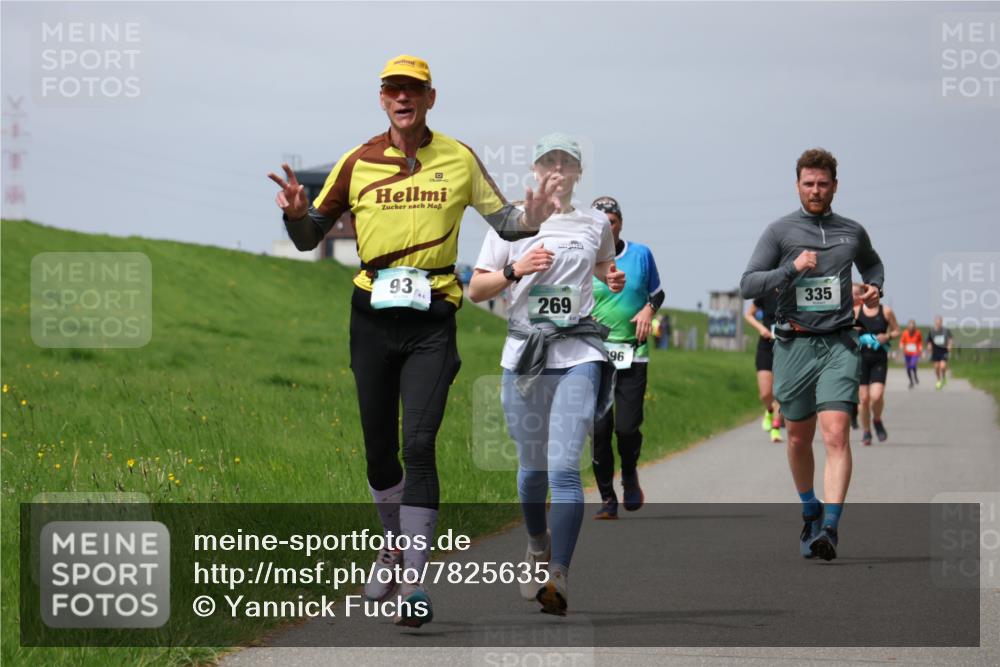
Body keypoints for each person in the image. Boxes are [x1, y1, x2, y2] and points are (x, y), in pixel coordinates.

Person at [267, 55, 558, 627]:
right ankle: (392, 543)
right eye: (393, 90)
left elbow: (506, 223)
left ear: (430, 97)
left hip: (432, 317)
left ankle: (414, 584)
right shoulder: (357, 162)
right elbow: (308, 239)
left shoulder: (458, 157)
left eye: (413, 90)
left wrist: (539, 212)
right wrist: (296, 217)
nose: (403, 98)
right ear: (382, 99)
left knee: (419, 443)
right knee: (379, 450)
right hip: (371, 317)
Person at [468, 133, 625, 615]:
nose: (557, 169)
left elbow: (600, 261)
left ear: (578, 172)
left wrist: (608, 276)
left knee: (563, 468)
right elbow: (476, 289)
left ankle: (559, 574)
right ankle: (537, 545)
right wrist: (517, 269)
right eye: (548, 162)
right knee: (532, 472)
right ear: (534, 171)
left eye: (566, 162)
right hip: (525, 357)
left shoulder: (596, 222)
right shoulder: (509, 223)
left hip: (580, 351)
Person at [741, 148, 884, 562]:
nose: (816, 191)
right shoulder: (779, 232)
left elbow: (872, 265)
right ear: (798, 185)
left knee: (836, 433)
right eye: (809, 184)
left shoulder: (852, 232)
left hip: (839, 343)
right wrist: (792, 269)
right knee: (798, 437)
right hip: (792, 345)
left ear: (835, 186)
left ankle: (831, 527)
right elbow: (749, 284)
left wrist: (875, 286)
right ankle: (810, 508)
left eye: (823, 184)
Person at [587, 196, 664, 519]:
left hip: (634, 352)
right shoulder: (582, 258)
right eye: (600, 223)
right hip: (593, 353)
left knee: (627, 428)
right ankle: (607, 498)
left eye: (612, 222)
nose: (607, 228)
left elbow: (657, 293)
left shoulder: (640, 254)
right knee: (599, 429)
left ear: (620, 224)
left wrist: (648, 309)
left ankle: (629, 473)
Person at [854, 290, 900, 445]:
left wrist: (887, 336)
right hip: (860, 359)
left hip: (879, 359)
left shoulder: (886, 311)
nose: (872, 298)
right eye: (868, 295)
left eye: (875, 295)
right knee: (864, 398)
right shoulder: (856, 311)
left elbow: (896, 330)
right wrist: (852, 331)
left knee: (876, 396)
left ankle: (877, 420)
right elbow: (843, 331)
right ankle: (866, 432)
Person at [743, 290, 784, 443]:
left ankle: (776, 427)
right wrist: (762, 329)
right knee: (766, 393)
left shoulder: (794, 292)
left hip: (786, 348)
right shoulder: (765, 294)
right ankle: (769, 410)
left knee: (779, 391)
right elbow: (748, 315)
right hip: (766, 346)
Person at [927, 316, 954, 390]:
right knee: (936, 367)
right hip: (935, 352)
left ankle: (944, 377)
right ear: (935, 323)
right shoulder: (932, 331)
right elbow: (929, 340)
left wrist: (949, 345)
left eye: (939, 323)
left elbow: (950, 339)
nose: (938, 324)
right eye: (937, 323)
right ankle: (939, 380)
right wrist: (929, 346)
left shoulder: (946, 331)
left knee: (942, 366)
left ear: (941, 323)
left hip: (943, 351)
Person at [899, 320, 923, 388]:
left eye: (912, 327)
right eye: (910, 327)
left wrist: (920, 348)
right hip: (907, 353)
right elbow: (902, 341)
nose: (911, 329)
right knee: (908, 368)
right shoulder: (905, 333)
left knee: (912, 365)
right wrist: (901, 345)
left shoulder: (918, 333)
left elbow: (920, 341)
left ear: (914, 327)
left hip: (915, 352)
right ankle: (911, 381)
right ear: (908, 327)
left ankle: (915, 375)